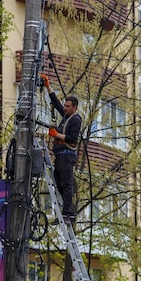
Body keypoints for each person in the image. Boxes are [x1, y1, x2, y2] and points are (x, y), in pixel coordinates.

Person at [41, 73, 82, 221]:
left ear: (74, 108)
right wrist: (48, 87)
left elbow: (72, 138)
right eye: (65, 105)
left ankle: (68, 211)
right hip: (60, 156)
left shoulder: (75, 120)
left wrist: (56, 135)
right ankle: (66, 210)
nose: (64, 108)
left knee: (66, 184)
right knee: (59, 183)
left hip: (66, 155)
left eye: (68, 106)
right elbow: (56, 104)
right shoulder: (66, 116)